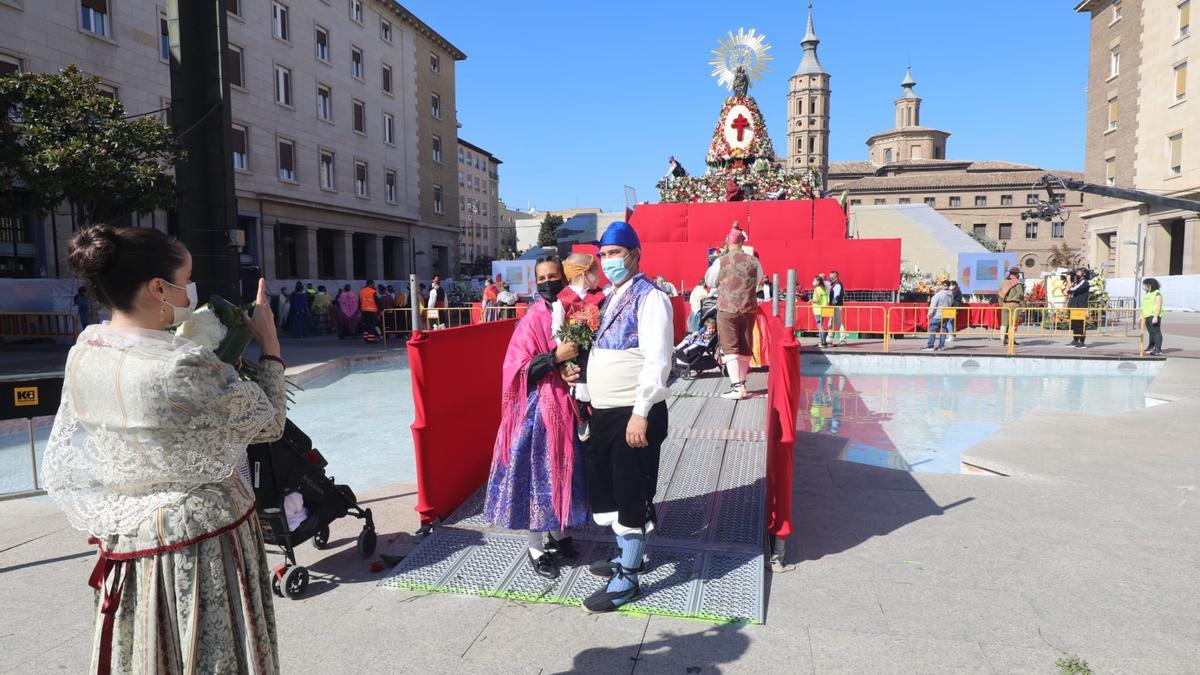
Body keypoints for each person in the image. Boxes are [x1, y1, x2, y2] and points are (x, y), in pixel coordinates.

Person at [45, 224, 286, 673]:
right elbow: (268, 424)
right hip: (201, 542)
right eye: (185, 280)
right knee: (211, 653)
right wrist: (269, 345)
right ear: (159, 288)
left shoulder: (85, 350)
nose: (190, 292)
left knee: (151, 653)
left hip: (128, 539)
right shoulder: (183, 364)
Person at [583, 221, 672, 613]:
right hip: (605, 413)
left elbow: (657, 360)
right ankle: (624, 555)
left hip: (631, 415)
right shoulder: (612, 297)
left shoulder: (650, 298)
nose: (607, 261)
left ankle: (629, 579)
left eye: (614, 254)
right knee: (611, 492)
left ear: (634, 255)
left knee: (631, 494)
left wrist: (641, 412)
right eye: (603, 255)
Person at [484, 255, 588, 580]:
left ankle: (558, 533)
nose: (547, 283)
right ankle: (536, 545)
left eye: (552, 276)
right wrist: (555, 358)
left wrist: (577, 368)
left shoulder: (576, 313)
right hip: (535, 414)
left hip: (566, 408)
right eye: (541, 278)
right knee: (535, 479)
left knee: (563, 473)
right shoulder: (530, 320)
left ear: (564, 278)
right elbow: (516, 370)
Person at [704, 223, 764, 400]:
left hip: (726, 309)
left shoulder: (720, 261)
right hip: (749, 309)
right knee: (745, 346)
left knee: (730, 348)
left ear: (728, 242)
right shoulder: (754, 261)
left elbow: (710, 280)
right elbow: (758, 280)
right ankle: (743, 385)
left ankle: (736, 387)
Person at [554, 253, 605, 413]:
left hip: (600, 350)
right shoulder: (563, 300)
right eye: (596, 272)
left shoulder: (602, 294)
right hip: (577, 350)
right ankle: (582, 412)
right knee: (581, 386)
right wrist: (565, 350)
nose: (599, 277)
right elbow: (556, 328)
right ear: (584, 273)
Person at [923, 281, 956, 352]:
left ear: (942, 286)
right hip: (946, 314)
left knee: (932, 329)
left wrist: (930, 313)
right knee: (943, 329)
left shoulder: (939, 294)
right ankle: (941, 346)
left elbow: (933, 305)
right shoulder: (951, 294)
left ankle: (930, 346)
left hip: (937, 315)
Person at [999, 267, 1024, 347]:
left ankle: (1002, 341)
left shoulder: (1003, 282)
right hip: (1014, 305)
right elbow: (1020, 295)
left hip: (1005, 305)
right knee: (1012, 324)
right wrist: (1023, 306)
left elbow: (1000, 294)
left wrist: (1001, 304)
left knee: (1004, 323)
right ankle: (1011, 341)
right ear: (1016, 274)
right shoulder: (1017, 283)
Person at [1066, 268, 1090, 348]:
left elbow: (1073, 290)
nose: (1076, 273)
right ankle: (1075, 340)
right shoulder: (1077, 282)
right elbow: (1067, 291)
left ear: (1083, 274)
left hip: (1080, 306)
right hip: (1074, 306)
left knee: (1080, 325)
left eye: (1078, 272)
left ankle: (1082, 342)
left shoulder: (1085, 282)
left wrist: (1069, 281)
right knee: (1074, 324)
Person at [1142, 278, 1164, 356]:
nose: (1144, 286)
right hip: (1147, 315)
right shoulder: (1147, 293)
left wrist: (1155, 316)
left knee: (1156, 332)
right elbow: (1145, 305)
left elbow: (1158, 306)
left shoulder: (1157, 294)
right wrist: (1142, 316)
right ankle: (1151, 346)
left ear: (1150, 284)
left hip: (1154, 315)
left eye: (1145, 284)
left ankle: (1158, 349)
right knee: (1151, 332)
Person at [828, 270, 846, 346]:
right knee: (830, 323)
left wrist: (833, 304)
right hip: (834, 305)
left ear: (834, 276)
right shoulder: (835, 284)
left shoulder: (837, 284)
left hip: (836, 306)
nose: (829, 277)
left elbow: (837, 296)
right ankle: (830, 339)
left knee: (838, 323)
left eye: (831, 275)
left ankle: (842, 340)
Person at [810, 276, 829, 347]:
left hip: (818, 310)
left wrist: (811, 300)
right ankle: (823, 341)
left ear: (818, 281)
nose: (813, 281)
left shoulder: (817, 289)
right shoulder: (823, 288)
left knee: (820, 326)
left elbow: (817, 299)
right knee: (822, 325)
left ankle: (822, 342)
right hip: (823, 309)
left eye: (814, 280)